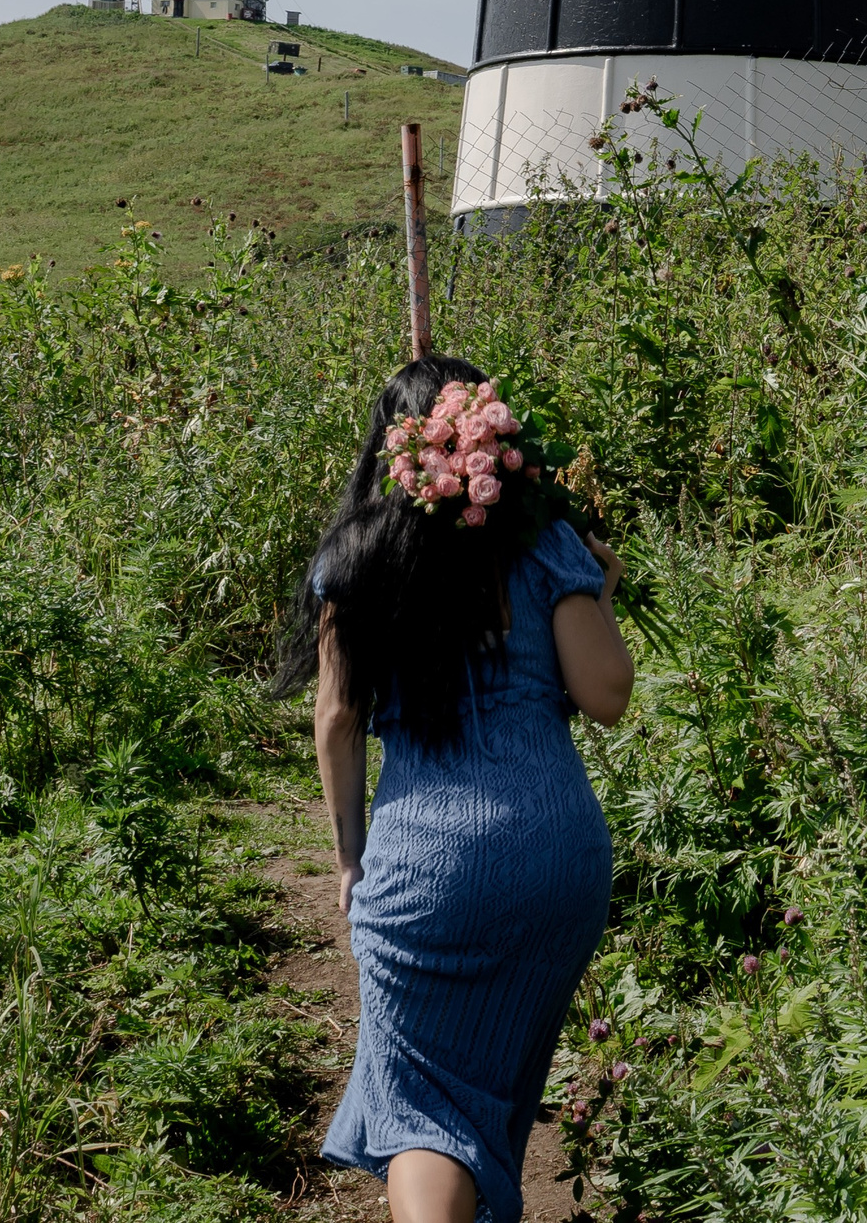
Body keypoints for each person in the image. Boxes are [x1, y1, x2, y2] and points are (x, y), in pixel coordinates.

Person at [283, 355, 633, 1223]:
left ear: (390, 451)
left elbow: (336, 718)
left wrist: (349, 859)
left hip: (428, 870)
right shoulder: (545, 543)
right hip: (558, 862)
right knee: (491, 1094)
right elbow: (607, 694)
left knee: (426, 1110)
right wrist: (602, 589)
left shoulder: (356, 560)